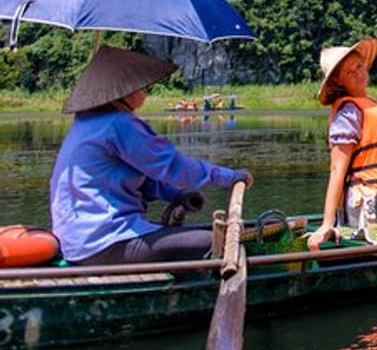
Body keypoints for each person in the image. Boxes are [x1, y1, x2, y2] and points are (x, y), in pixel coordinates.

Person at [49, 45, 253, 265]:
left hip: (77, 244)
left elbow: (141, 179)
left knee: (194, 238)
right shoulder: (119, 124)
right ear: (123, 93)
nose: (145, 93)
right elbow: (172, 165)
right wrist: (229, 177)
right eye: (142, 88)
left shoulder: (85, 124)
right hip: (105, 242)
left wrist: (176, 194)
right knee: (212, 242)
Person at [307, 37, 377, 251]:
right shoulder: (348, 112)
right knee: (374, 245)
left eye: (359, 66)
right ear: (338, 81)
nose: (358, 73)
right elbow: (337, 169)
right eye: (349, 72)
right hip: (365, 199)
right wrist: (327, 223)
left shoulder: (370, 105)